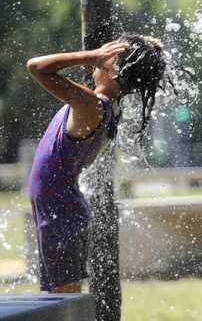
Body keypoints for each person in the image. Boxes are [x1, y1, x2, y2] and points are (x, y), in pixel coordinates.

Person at [26, 34, 165, 293]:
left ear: (114, 73)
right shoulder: (104, 107)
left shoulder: (91, 106)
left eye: (102, 60)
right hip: (61, 210)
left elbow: (36, 67)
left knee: (65, 305)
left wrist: (90, 56)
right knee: (56, 303)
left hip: (60, 214)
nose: (94, 64)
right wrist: (144, 51)